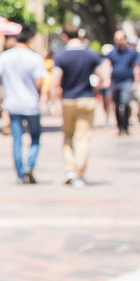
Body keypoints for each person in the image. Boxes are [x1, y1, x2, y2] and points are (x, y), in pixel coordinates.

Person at [52, 25, 108, 187]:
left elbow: (56, 82)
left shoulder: (61, 57)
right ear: (80, 35)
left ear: (65, 37)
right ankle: (79, 173)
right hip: (86, 99)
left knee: (68, 135)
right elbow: (103, 77)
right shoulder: (90, 55)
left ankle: (69, 169)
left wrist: (55, 101)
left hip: (68, 100)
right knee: (83, 137)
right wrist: (96, 87)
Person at [0, 25, 47, 185]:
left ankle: (20, 173)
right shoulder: (35, 58)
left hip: (12, 104)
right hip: (31, 104)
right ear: (31, 39)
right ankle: (30, 165)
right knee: (35, 138)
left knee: (17, 139)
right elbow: (39, 81)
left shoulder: (5, 57)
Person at [106, 30, 139, 135]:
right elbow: (107, 66)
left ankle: (126, 125)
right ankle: (119, 126)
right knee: (116, 105)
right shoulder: (112, 53)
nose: (118, 41)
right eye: (116, 39)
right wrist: (107, 79)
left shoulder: (131, 53)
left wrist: (137, 81)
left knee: (125, 103)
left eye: (120, 39)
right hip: (115, 81)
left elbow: (136, 67)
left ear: (124, 39)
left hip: (127, 81)